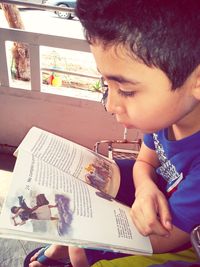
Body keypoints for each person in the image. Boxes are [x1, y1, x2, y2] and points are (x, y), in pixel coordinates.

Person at [24, 0, 200, 266]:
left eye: (127, 91)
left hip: (181, 234)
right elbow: (144, 161)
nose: (110, 105)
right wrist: (145, 188)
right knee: (91, 178)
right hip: (158, 198)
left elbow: (172, 236)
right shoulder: (171, 116)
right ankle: (69, 243)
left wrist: (86, 246)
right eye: (106, 83)